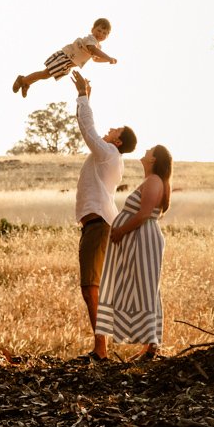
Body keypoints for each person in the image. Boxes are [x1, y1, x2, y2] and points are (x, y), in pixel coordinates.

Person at [71, 70, 137, 358]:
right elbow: (88, 127)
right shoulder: (110, 156)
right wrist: (84, 99)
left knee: (90, 287)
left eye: (115, 131)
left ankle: (101, 349)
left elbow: (87, 128)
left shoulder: (109, 153)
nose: (110, 130)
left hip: (98, 224)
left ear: (118, 141)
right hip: (98, 223)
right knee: (94, 286)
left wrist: (83, 96)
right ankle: (102, 346)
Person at [95, 141, 172, 361]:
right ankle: (150, 344)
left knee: (146, 288)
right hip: (139, 239)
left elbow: (144, 214)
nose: (145, 151)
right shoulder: (151, 180)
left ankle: (151, 345)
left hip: (144, 239)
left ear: (154, 159)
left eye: (150, 151)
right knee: (140, 286)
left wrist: (120, 231)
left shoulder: (155, 180)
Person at [12, 17, 117, 98]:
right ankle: (22, 80)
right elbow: (94, 51)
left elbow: (96, 59)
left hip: (68, 64)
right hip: (66, 58)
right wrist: (108, 57)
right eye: (99, 30)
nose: (101, 34)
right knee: (45, 74)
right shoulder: (91, 40)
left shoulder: (98, 45)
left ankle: (27, 83)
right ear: (92, 29)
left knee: (46, 75)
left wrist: (107, 61)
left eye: (105, 33)